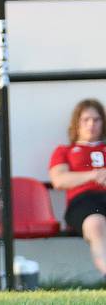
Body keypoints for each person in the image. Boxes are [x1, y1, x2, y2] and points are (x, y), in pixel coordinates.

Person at [49, 98, 106, 278]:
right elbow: (59, 180)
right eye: (86, 120)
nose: (91, 125)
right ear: (77, 123)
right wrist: (93, 175)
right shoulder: (65, 151)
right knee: (96, 224)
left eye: (96, 120)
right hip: (83, 201)